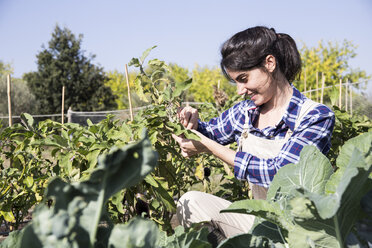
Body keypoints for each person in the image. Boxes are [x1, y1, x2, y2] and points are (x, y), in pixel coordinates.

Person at [172, 26, 335, 240]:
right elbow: (210, 133)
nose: (240, 90)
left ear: (269, 63)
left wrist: (209, 147)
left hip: (302, 232)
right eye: (236, 82)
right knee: (189, 203)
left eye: (244, 78)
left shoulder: (315, 116)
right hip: (262, 222)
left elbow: (280, 174)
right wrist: (190, 123)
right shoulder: (246, 112)